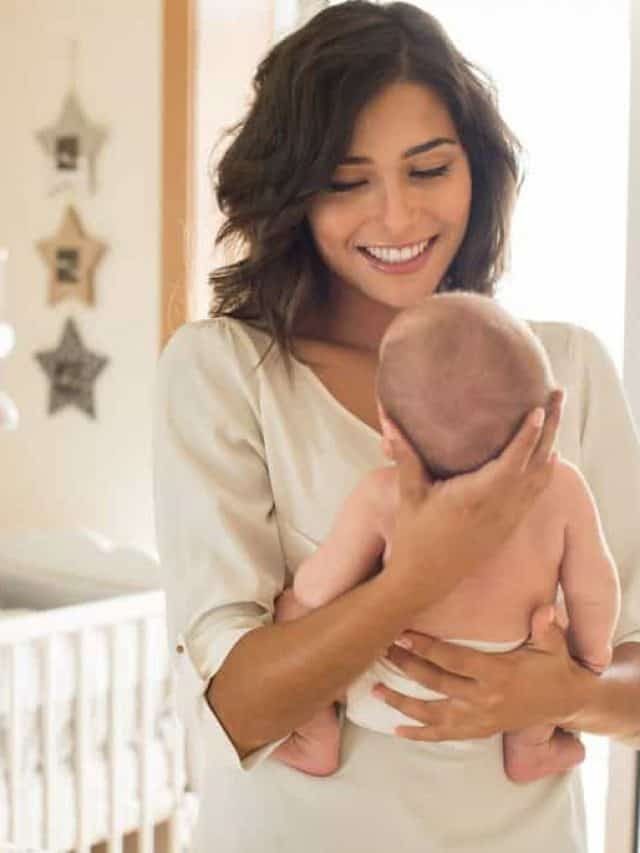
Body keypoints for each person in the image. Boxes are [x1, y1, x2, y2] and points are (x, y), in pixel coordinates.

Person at [152, 3, 640, 850]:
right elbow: (237, 705)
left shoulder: (567, 372)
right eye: (347, 182)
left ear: (476, 170)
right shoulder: (224, 370)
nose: (397, 217)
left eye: (428, 169)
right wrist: (417, 575)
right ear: (294, 194)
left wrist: (547, 696)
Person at [270, 292, 620, 784]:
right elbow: (594, 585)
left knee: (292, 617)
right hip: (509, 687)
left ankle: (316, 737)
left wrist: (296, 602)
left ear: (388, 428)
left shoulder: (383, 497)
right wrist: (588, 658)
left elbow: (316, 589)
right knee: (550, 632)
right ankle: (531, 749)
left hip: (387, 693)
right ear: (543, 415)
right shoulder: (559, 488)